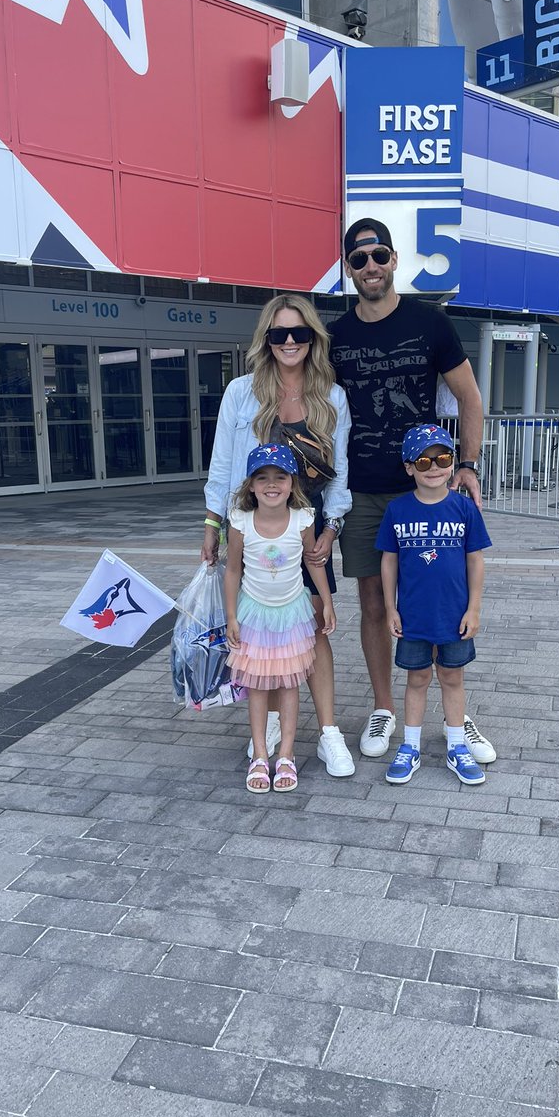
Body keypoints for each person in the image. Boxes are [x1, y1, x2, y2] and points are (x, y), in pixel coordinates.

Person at [328, 217, 491, 763]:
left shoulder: (430, 323)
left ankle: (457, 716)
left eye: (379, 256)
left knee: (441, 598)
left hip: (427, 488)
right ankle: (384, 707)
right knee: (374, 603)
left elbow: (470, 398)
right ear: (348, 269)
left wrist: (466, 463)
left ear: (394, 260)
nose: (370, 267)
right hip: (364, 492)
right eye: (358, 259)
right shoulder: (335, 336)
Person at [203, 294, 355, 777]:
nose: (290, 342)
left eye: (299, 333)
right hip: (252, 529)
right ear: (265, 341)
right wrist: (214, 524)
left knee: (313, 627)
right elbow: (224, 465)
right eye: (279, 334)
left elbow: (342, 472)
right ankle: (268, 727)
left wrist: (331, 529)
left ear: (313, 338)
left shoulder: (331, 396)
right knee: (257, 631)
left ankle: (329, 732)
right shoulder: (240, 393)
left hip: (308, 535)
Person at [377, 424, 493, 785]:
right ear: (409, 467)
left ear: (452, 462)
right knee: (417, 678)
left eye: (442, 458)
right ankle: (410, 746)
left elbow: (475, 560)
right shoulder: (397, 511)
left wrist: (474, 608)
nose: (434, 467)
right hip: (413, 615)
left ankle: (457, 745)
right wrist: (390, 608)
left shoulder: (463, 509)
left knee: (452, 678)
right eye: (424, 461)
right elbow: (389, 562)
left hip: (454, 616)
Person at [225, 444, 335, 794]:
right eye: (263, 478)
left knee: (289, 684)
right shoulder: (241, 521)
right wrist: (231, 615)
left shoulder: (303, 517)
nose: (271, 485)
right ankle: (260, 753)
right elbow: (232, 571)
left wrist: (327, 603)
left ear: (292, 483)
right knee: (257, 685)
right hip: (254, 613)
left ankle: (286, 753)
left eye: (280, 477)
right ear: (251, 486)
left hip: (293, 613)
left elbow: (313, 562)